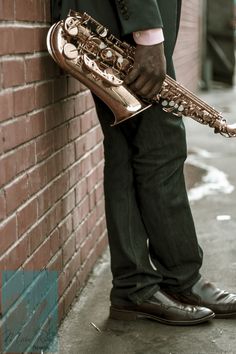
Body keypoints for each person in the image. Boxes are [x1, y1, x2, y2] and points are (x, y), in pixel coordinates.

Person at [51, 0, 236, 325]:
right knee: (162, 145)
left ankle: (134, 287)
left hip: (108, 20)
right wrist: (147, 32)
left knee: (125, 152)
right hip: (125, 28)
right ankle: (181, 281)